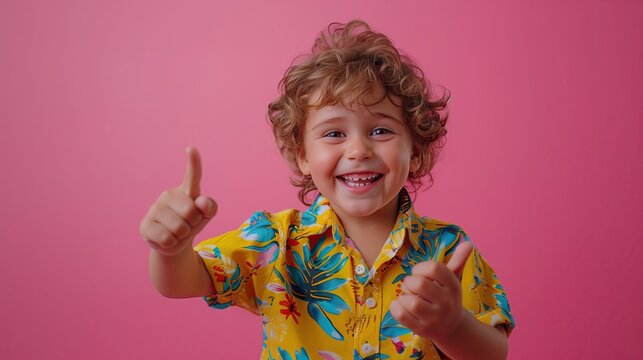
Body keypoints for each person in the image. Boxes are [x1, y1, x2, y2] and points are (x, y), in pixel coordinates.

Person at [140, 20, 515, 359]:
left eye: (380, 130)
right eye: (334, 133)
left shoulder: (448, 249)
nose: (358, 150)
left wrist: (452, 327)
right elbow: (183, 281)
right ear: (302, 156)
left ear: (415, 151)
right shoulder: (276, 239)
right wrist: (170, 250)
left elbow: (493, 356)